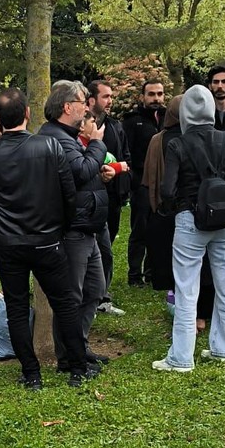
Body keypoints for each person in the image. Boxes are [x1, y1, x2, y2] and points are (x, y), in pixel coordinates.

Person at [0, 86, 93, 390]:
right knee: (64, 304)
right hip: (46, 240)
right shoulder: (49, 146)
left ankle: (32, 374)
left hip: (9, 242)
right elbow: (68, 193)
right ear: (28, 113)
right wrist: (62, 227)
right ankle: (78, 368)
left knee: (17, 308)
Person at [153, 85, 225, 373]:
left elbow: (167, 189)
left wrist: (180, 206)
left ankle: (181, 358)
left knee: (186, 289)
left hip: (190, 219)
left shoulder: (177, 144)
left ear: (185, 114)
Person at [40, 80, 109, 376]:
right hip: (72, 230)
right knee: (72, 296)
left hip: (87, 226)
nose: (86, 107)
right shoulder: (57, 137)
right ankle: (68, 357)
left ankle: (79, 345)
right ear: (68, 107)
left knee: (95, 289)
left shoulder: (67, 136)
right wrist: (96, 144)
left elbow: (82, 173)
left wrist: (99, 175)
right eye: (82, 102)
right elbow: (79, 171)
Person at [143, 95, 214, 330]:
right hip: (197, 209)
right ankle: (200, 316)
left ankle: (185, 316)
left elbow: (152, 180)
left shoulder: (158, 139)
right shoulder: (196, 138)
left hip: (167, 210)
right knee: (203, 265)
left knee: (179, 269)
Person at [86, 79, 130, 314]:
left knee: (106, 248)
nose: (110, 101)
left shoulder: (115, 127)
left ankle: (102, 295)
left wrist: (117, 170)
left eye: (111, 96)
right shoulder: (78, 128)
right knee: (91, 250)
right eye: (106, 96)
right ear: (91, 100)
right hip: (88, 199)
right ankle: (91, 296)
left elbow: (125, 160)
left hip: (112, 197)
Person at [122, 76, 166, 286]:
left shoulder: (168, 119)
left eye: (160, 94)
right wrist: (133, 182)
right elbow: (126, 153)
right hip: (141, 183)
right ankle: (134, 274)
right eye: (151, 94)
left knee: (158, 230)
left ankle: (151, 272)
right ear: (143, 97)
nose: (156, 98)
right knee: (140, 230)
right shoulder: (132, 121)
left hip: (163, 184)